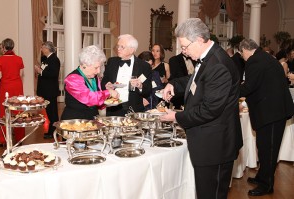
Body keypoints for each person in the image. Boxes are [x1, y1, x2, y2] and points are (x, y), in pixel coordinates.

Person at [160, 18, 243, 199]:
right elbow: (196, 81)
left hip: (215, 145)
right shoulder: (208, 58)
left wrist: (177, 117)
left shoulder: (218, 65)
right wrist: (173, 84)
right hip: (208, 141)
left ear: (199, 40)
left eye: (185, 47)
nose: (184, 52)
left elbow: (209, 110)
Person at [239, 39, 294, 196]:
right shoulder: (264, 57)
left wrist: (226, 92)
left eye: (241, 53)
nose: (242, 56)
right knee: (264, 148)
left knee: (268, 150)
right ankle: (262, 177)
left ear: (245, 50)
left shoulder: (255, 61)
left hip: (272, 113)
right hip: (272, 111)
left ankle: (266, 185)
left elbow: (249, 86)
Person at [61, 45, 119, 120]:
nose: (98, 71)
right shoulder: (72, 79)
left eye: (100, 67)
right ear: (84, 65)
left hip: (92, 119)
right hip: (75, 120)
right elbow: (88, 98)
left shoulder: (94, 77)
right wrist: (109, 92)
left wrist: (109, 100)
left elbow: (97, 99)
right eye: (96, 67)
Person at [101, 34, 152, 116]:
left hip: (134, 109)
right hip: (114, 109)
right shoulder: (111, 62)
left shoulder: (143, 66)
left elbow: (148, 91)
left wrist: (140, 86)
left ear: (132, 50)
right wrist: (106, 85)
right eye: (118, 46)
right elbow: (103, 82)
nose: (118, 49)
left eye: (122, 47)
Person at [0, 38, 25, 147]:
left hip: (6, 87)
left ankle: (4, 140)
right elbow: (21, 74)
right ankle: (20, 138)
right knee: (18, 112)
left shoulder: (0, 59)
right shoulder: (19, 59)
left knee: (4, 113)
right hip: (17, 86)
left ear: (3, 47)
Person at [34, 41, 61, 139]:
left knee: (52, 112)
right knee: (49, 112)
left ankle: (54, 131)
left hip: (50, 90)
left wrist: (40, 71)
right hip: (46, 90)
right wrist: (40, 72)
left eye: (42, 48)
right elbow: (45, 72)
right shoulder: (45, 59)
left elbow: (53, 74)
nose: (41, 50)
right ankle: (52, 130)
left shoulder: (54, 59)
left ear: (47, 48)